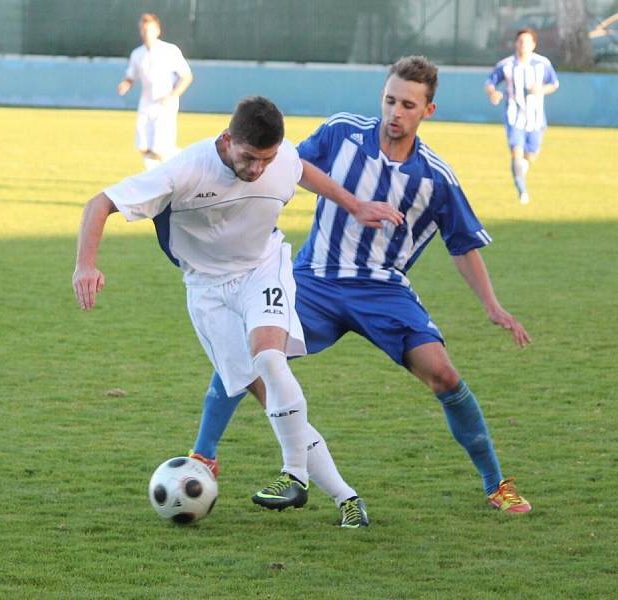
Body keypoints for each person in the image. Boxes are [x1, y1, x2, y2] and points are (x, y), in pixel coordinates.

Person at [189, 56, 534, 526]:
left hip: (383, 291)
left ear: (427, 111)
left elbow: (463, 244)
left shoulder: (436, 177)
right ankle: (203, 455)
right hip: (315, 280)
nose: (395, 111)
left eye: (408, 104)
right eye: (390, 99)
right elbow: (285, 166)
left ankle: (497, 484)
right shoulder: (342, 133)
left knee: (445, 376)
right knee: (246, 355)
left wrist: (492, 305)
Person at [72, 96, 403, 521]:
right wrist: (86, 264)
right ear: (227, 140)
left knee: (270, 357)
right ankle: (348, 500)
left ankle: (294, 474)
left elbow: (303, 170)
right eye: (248, 157)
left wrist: (355, 205)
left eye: (266, 159)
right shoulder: (186, 170)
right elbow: (100, 203)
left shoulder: (279, 159)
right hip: (208, 291)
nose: (257, 169)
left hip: (263, 270)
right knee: (271, 399)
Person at [485, 28, 559, 204]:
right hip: (514, 116)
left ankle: (519, 173)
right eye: (520, 41)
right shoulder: (506, 65)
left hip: (536, 118)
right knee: (516, 154)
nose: (522, 44)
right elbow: (490, 82)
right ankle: (522, 190)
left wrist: (540, 89)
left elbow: (554, 84)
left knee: (530, 157)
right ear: (515, 44)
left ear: (533, 44)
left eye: (526, 41)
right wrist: (493, 94)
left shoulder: (543, 64)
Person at [118, 13, 194, 170]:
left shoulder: (169, 50)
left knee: (160, 149)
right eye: (144, 30)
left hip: (165, 102)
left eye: (150, 30)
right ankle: (154, 180)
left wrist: (172, 96)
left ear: (157, 31)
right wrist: (126, 84)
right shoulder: (137, 54)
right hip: (146, 103)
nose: (146, 33)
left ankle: (190, 162)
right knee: (143, 146)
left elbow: (186, 76)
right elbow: (131, 76)